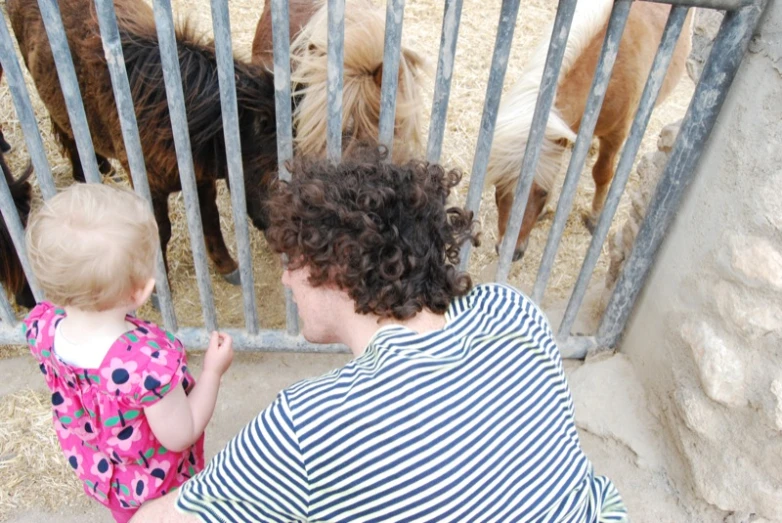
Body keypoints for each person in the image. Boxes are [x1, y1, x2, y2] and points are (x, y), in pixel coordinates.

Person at [132, 148, 627, 522]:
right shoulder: (513, 312)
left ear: (335, 267)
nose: (284, 279)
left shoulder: (307, 426)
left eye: (291, 262)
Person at [22, 183, 234, 523]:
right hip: (160, 491)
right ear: (141, 291)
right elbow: (181, 433)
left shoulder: (41, 328)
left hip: (103, 473)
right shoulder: (145, 364)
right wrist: (212, 372)